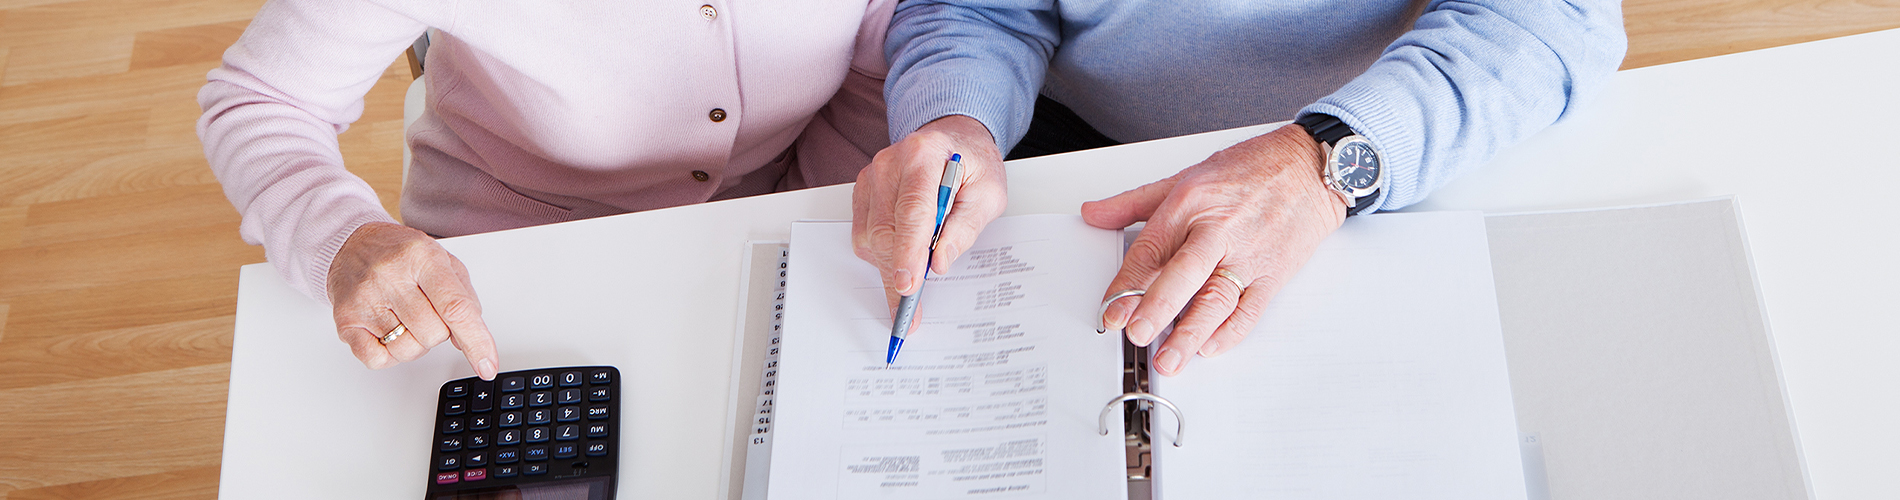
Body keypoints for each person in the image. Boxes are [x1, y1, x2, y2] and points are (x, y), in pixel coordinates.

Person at [853, 1, 1627, 376]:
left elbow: (1554, 20)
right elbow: (979, 8)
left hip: (1344, 152)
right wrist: (957, 119)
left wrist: (1322, 163)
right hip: (1055, 144)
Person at [199, 0, 897, 380]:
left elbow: (873, 62)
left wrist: (805, 219)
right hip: (503, 263)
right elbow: (262, 99)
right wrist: (345, 238)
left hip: (767, 228)